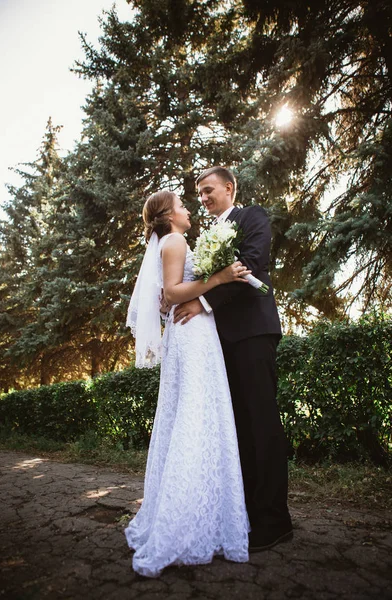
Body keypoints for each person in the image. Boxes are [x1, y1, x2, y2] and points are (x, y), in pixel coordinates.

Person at [125, 190, 250, 578]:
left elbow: (167, 295)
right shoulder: (176, 240)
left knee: (192, 413)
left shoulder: (169, 241)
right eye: (182, 205)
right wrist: (221, 277)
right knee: (198, 414)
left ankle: (199, 515)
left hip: (190, 332)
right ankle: (186, 523)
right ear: (168, 215)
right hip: (192, 332)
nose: (189, 209)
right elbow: (175, 293)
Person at [173, 166, 293, 551]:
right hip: (220, 342)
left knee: (262, 422)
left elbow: (250, 266)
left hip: (254, 333)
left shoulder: (251, 217)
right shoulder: (204, 236)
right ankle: (248, 514)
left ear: (228, 188)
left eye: (209, 190)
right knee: (238, 427)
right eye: (199, 194)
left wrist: (203, 300)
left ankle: (276, 519)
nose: (204, 198)